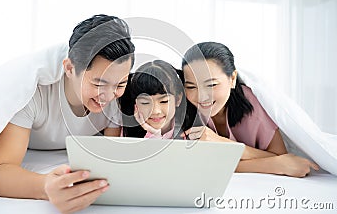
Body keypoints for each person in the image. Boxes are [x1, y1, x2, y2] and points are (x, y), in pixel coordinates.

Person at [0, 14, 135, 213]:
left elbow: (110, 159)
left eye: (120, 84)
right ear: (70, 68)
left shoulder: (118, 101)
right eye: (98, 84)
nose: (108, 96)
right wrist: (45, 186)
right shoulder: (34, 94)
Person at [181, 42, 319, 178]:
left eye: (211, 85)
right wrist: (274, 165)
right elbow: (282, 161)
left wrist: (224, 144)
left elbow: (281, 155)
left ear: (232, 79)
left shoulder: (253, 104)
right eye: (191, 87)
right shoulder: (181, 109)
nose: (202, 96)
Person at [120, 60, 186, 139]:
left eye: (164, 101)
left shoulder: (190, 131)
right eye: (145, 102)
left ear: (178, 99)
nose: (155, 111)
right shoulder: (126, 131)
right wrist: (153, 135)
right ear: (135, 104)